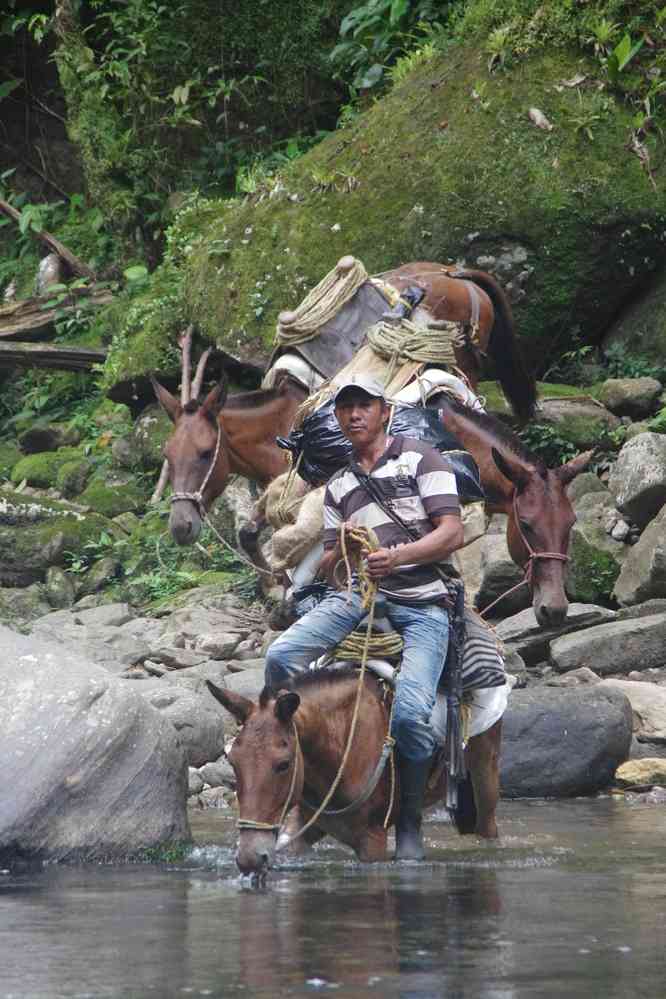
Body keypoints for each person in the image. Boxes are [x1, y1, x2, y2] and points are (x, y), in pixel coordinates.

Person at [264, 374, 464, 860]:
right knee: (280, 654)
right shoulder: (339, 486)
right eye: (345, 408)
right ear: (337, 418)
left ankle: (410, 818)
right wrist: (346, 551)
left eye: (364, 406)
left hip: (423, 602)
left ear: (383, 412)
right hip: (359, 598)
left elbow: (452, 532)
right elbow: (333, 566)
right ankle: (295, 779)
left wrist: (397, 557)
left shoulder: (423, 460)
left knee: (414, 713)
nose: (354, 414)